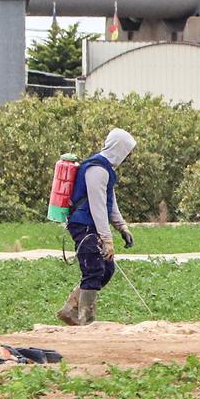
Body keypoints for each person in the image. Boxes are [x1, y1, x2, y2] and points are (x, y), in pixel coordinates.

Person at [56, 128, 137, 326]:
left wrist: (122, 227)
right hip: (83, 225)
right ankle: (86, 320)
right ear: (119, 149)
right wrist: (107, 239)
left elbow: (110, 201)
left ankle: (71, 308)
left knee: (106, 268)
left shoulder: (106, 170)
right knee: (93, 269)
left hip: (92, 226)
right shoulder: (96, 169)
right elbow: (97, 206)